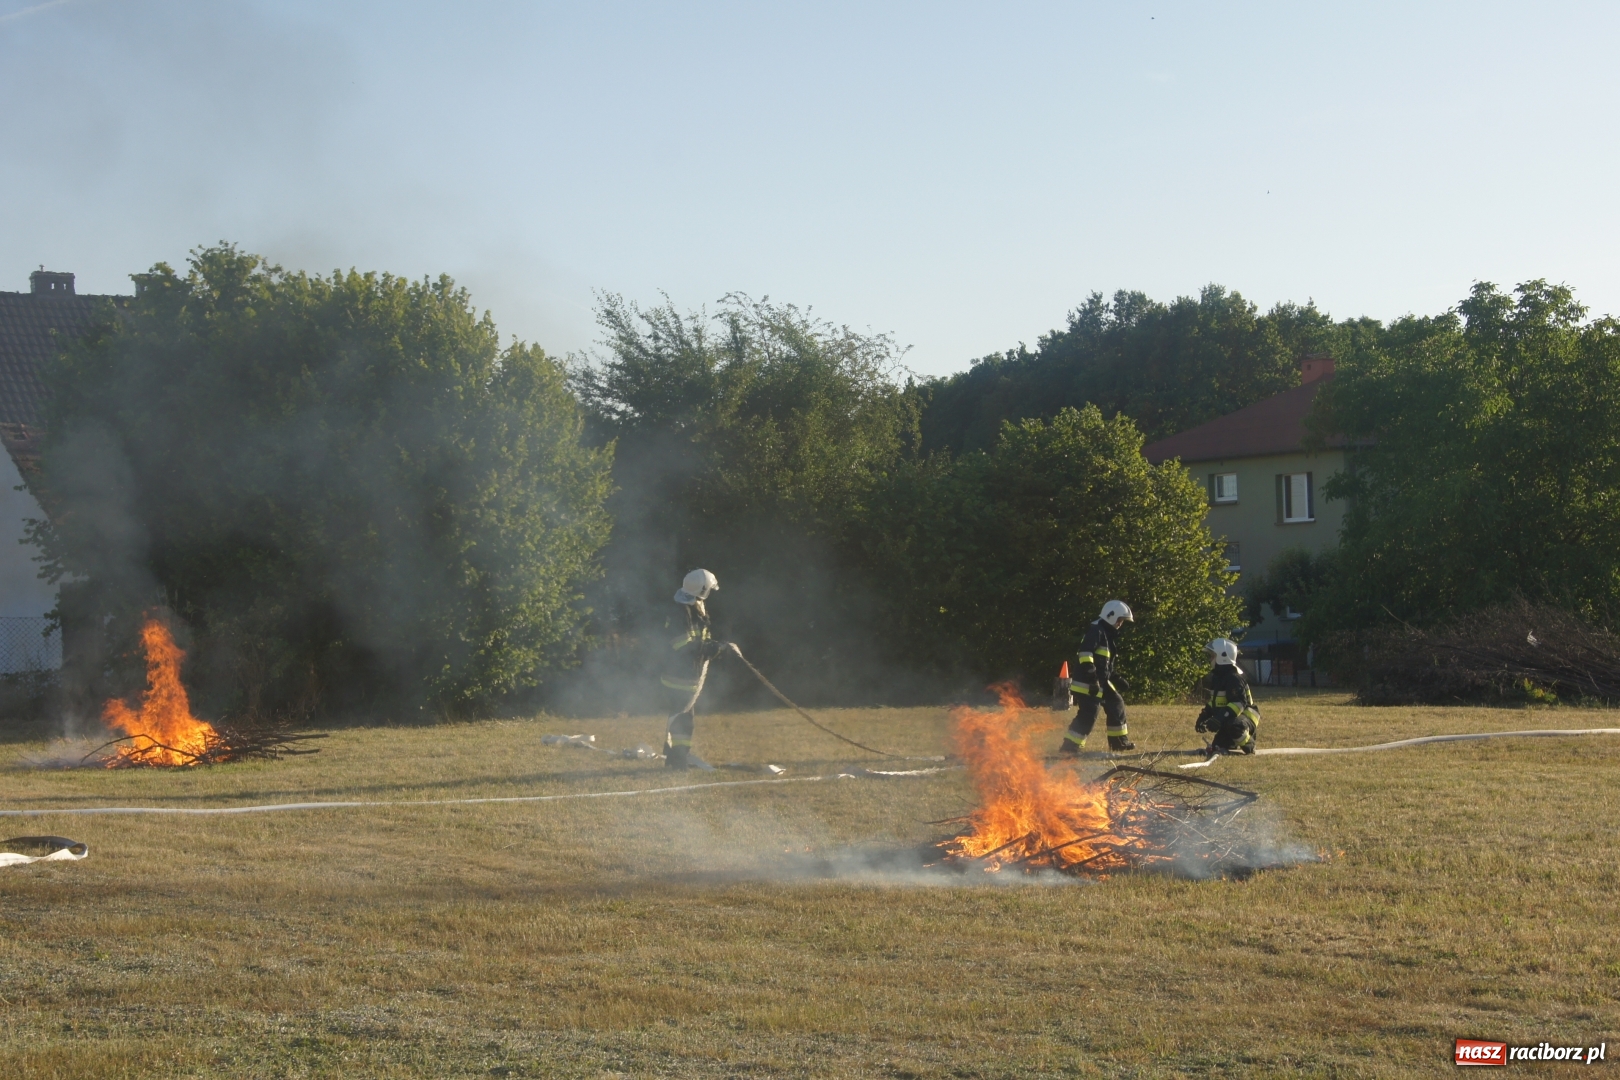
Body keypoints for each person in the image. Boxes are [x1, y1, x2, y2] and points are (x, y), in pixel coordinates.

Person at [662, 569, 722, 769]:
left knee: (681, 717)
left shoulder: (694, 606)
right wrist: (707, 649)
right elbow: (682, 646)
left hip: (687, 674)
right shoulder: (682, 611)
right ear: (702, 589)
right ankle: (678, 760)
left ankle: (675, 757)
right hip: (679, 676)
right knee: (682, 720)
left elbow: (700, 638)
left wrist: (712, 646)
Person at [1058, 600, 1136, 754]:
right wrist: (1092, 679)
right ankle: (1069, 746)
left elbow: (1104, 666)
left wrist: (1116, 678)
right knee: (1089, 714)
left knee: (1116, 704)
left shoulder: (1106, 634)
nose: (1120, 624)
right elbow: (1085, 655)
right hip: (1088, 683)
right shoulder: (1096, 631)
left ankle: (1119, 742)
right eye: (1119, 620)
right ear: (1111, 616)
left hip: (1100, 682)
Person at [1196, 637, 1260, 757]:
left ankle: (1250, 745)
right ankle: (1232, 741)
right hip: (1229, 719)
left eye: (1212, 656)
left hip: (1246, 717)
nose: (1210, 659)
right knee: (1218, 746)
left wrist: (1219, 718)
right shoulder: (1218, 678)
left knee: (1234, 726)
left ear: (1223, 656)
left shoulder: (1233, 678)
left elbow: (1238, 703)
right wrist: (1203, 716)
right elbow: (1215, 702)